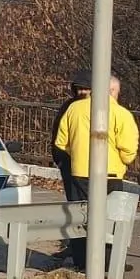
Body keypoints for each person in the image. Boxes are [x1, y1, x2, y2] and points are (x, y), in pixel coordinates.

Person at [54, 73, 139, 272]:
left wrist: (78, 155)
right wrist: (124, 160)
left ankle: (82, 262)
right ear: (112, 91)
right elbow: (128, 148)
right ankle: (108, 263)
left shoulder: (74, 108)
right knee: (111, 219)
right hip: (110, 174)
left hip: (80, 173)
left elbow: (61, 142)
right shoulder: (121, 114)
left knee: (80, 216)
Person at [51, 69, 91, 202]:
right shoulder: (68, 106)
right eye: (79, 89)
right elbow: (58, 133)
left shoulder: (101, 107)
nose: (82, 92)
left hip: (94, 163)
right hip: (70, 161)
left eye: (86, 89)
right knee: (75, 201)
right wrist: (60, 159)